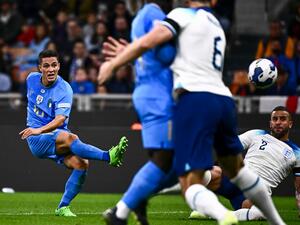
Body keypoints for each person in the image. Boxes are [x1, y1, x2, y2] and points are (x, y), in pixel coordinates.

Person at [98, 1, 286, 224]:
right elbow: (181, 57)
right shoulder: (216, 25)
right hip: (224, 99)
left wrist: (114, 64)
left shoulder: (182, 15)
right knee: (239, 172)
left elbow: (151, 40)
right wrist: (136, 56)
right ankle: (278, 222)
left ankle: (223, 216)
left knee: (189, 180)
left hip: (196, 99)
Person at [19, 49, 128, 217]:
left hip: (53, 134)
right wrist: (37, 129)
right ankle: (109, 156)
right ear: (40, 68)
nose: (50, 69)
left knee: (82, 164)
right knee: (72, 138)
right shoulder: (31, 79)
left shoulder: (64, 89)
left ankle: (62, 207)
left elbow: (60, 119)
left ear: (59, 66)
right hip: (36, 138)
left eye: (54, 65)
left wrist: (40, 128)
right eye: (46, 66)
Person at [99, 1, 176, 225]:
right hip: (159, 97)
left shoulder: (142, 15)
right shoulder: (154, 12)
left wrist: (126, 55)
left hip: (148, 92)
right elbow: (165, 53)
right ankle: (122, 210)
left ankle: (136, 199)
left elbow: (148, 53)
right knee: (166, 162)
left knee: (166, 162)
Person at [189, 106, 300, 221]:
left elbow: (299, 188)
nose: (278, 122)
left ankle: (219, 214)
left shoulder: (297, 153)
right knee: (208, 172)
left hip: (254, 193)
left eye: (282, 119)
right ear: (270, 123)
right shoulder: (257, 134)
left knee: (260, 213)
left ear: (290, 123)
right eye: (275, 119)